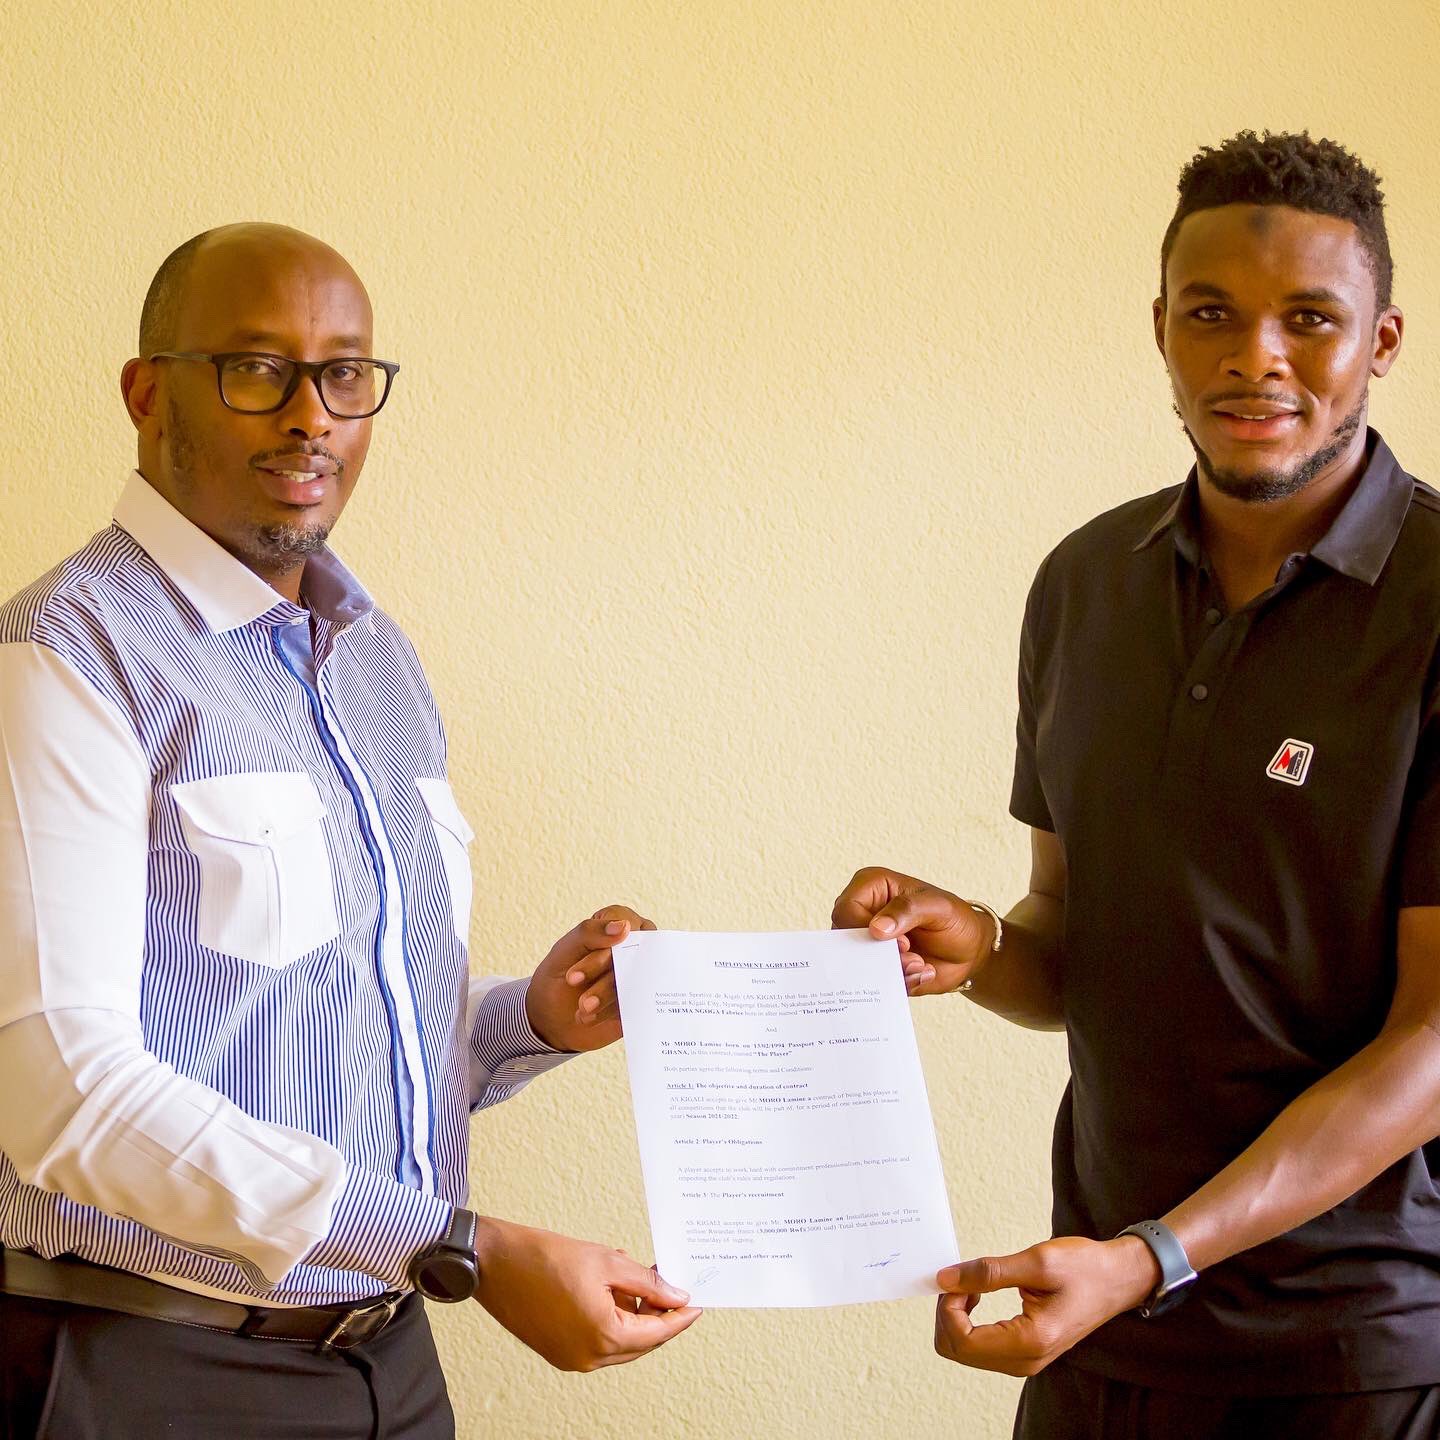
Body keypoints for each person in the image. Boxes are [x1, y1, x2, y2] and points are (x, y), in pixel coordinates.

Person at [0, 223, 698, 1439]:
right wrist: (461, 1244)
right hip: (148, 1370)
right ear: (147, 393)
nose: (311, 416)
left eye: (344, 374)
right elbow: (61, 1094)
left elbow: (318, 1025)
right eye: (257, 370)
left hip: (391, 1361)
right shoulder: (65, 656)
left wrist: (529, 1021)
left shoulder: (377, 664)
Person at [834, 131, 1440, 1438]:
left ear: (1382, 341)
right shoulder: (1082, 584)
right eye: (1211, 314)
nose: (1255, 358)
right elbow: (1068, 950)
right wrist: (977, 946)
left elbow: (1432, 1045)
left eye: (1310, 320)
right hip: (1098, 1324)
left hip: (1363, 1358)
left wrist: (1157, 1254)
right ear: (1161, 327)